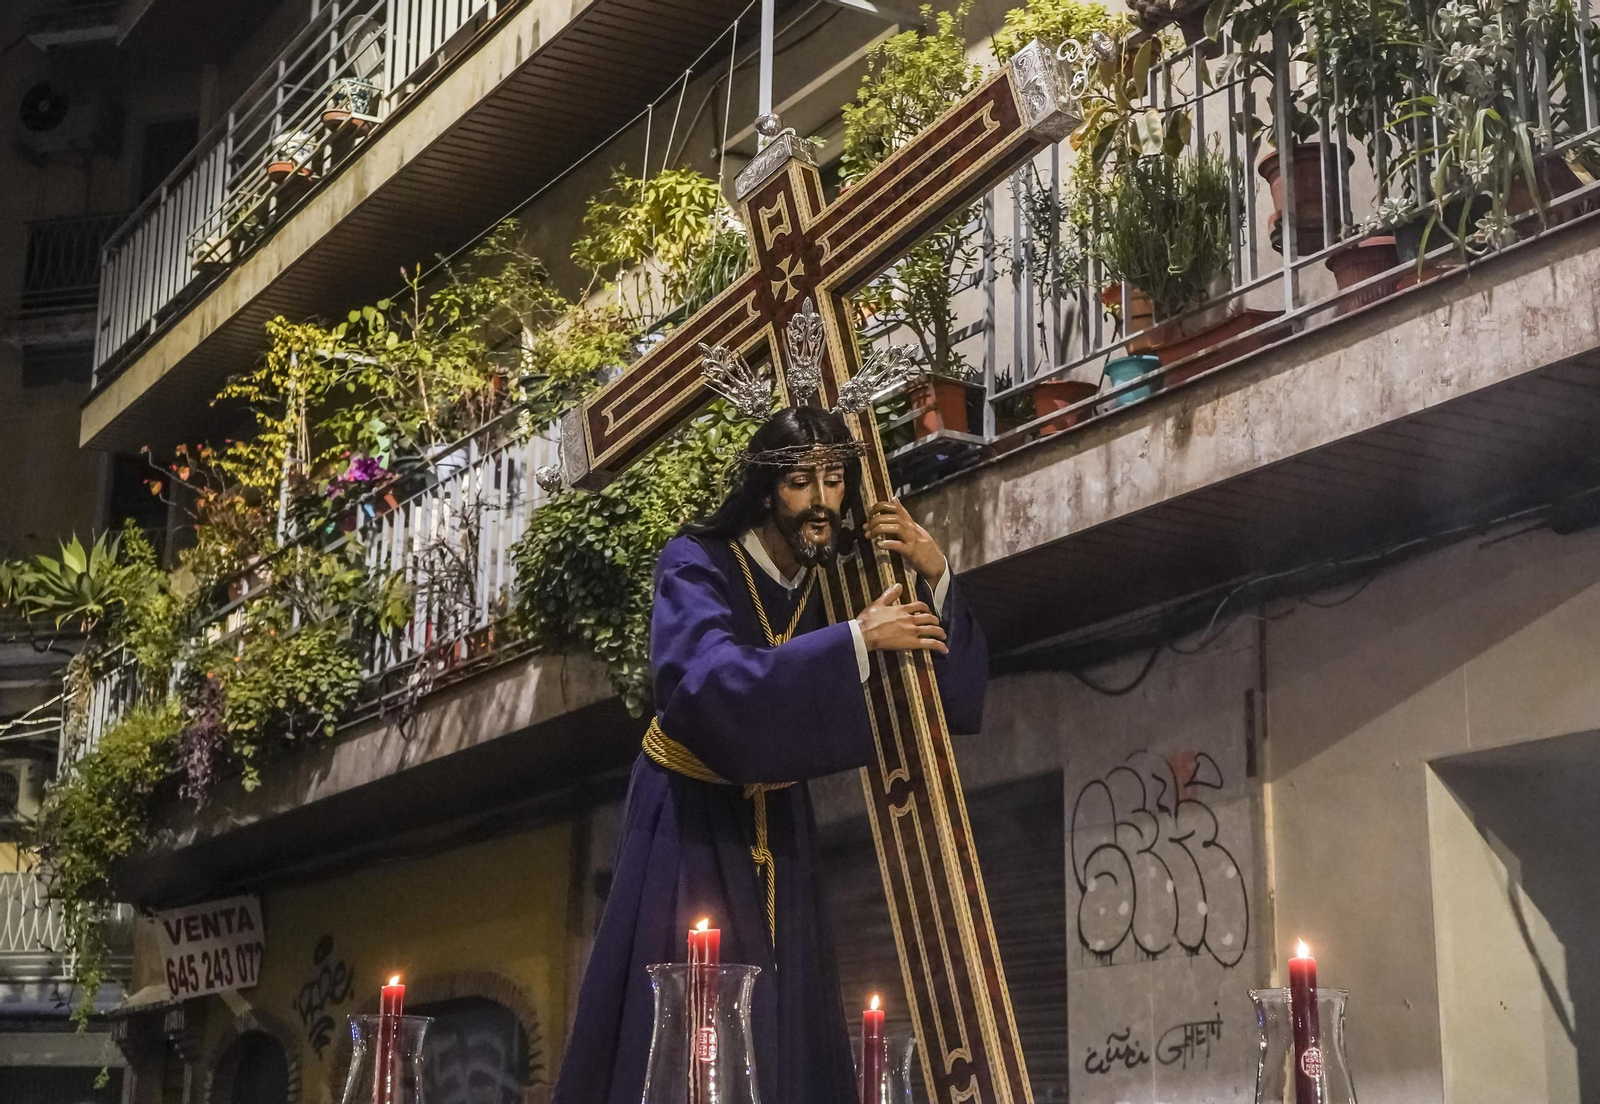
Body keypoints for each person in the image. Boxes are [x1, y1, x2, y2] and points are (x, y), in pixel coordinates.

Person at [552, 406, 988, 1104]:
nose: (821, 501)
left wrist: (934, 572)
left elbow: (946, 701)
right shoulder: (696, 562)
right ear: (764, 491)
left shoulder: (839, 580)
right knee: (684, 1025)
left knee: (790, 1029)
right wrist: (852, 642)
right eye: (800, 482)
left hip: (782, 832)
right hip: (690, 824)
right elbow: (703, 686)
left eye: (833, 481)